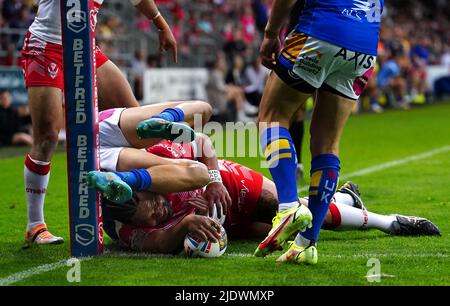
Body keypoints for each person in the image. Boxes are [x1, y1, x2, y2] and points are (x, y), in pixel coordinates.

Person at [99, 139, 440, 254]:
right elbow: (156, 242)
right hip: (220, 225)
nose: (161, 211)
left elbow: (203, 142)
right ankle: (346, 199)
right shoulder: (122, 228)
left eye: (156, 203)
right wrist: (184, 221)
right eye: (156, 216)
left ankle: (388, 223)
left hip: (231, 184)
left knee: (293, 214)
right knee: (278, 237)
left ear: (142, 185)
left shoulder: (157, 157)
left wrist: (213, 179)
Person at [21, 0, 177, 246]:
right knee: (47, 136)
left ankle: (133, 207)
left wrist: (161, 24)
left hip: (85, 49)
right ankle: (35, 225)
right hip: (47, 45)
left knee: (138, 125)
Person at [255, 0, 384, 264]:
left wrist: (270, 34)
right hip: (364, 44)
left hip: (321, 29)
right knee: (328, 142)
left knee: (272, 118)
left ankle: (289, 207)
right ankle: (307, 243)